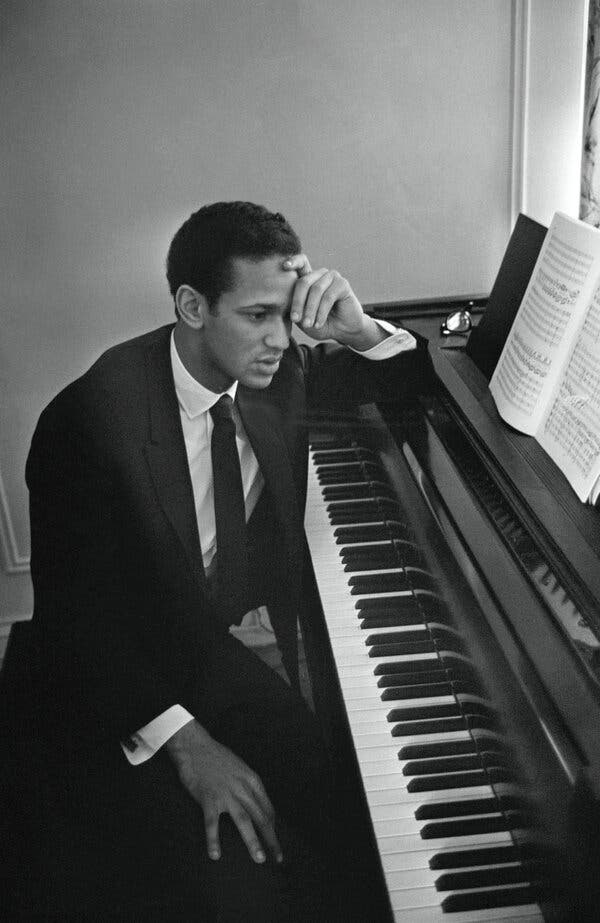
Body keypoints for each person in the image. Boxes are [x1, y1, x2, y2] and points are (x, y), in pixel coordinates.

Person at [8, 202, 432, 920]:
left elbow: (408, 389)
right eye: (258, 315)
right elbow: (78, 625)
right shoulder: (87, 423)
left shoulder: (279, 370)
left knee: (344, 794)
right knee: (230, 884)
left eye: (287, 314)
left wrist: (358, 329)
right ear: (191, 306)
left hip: (204, 649)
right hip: (113, 678)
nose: (280, 339)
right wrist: (188, 743)